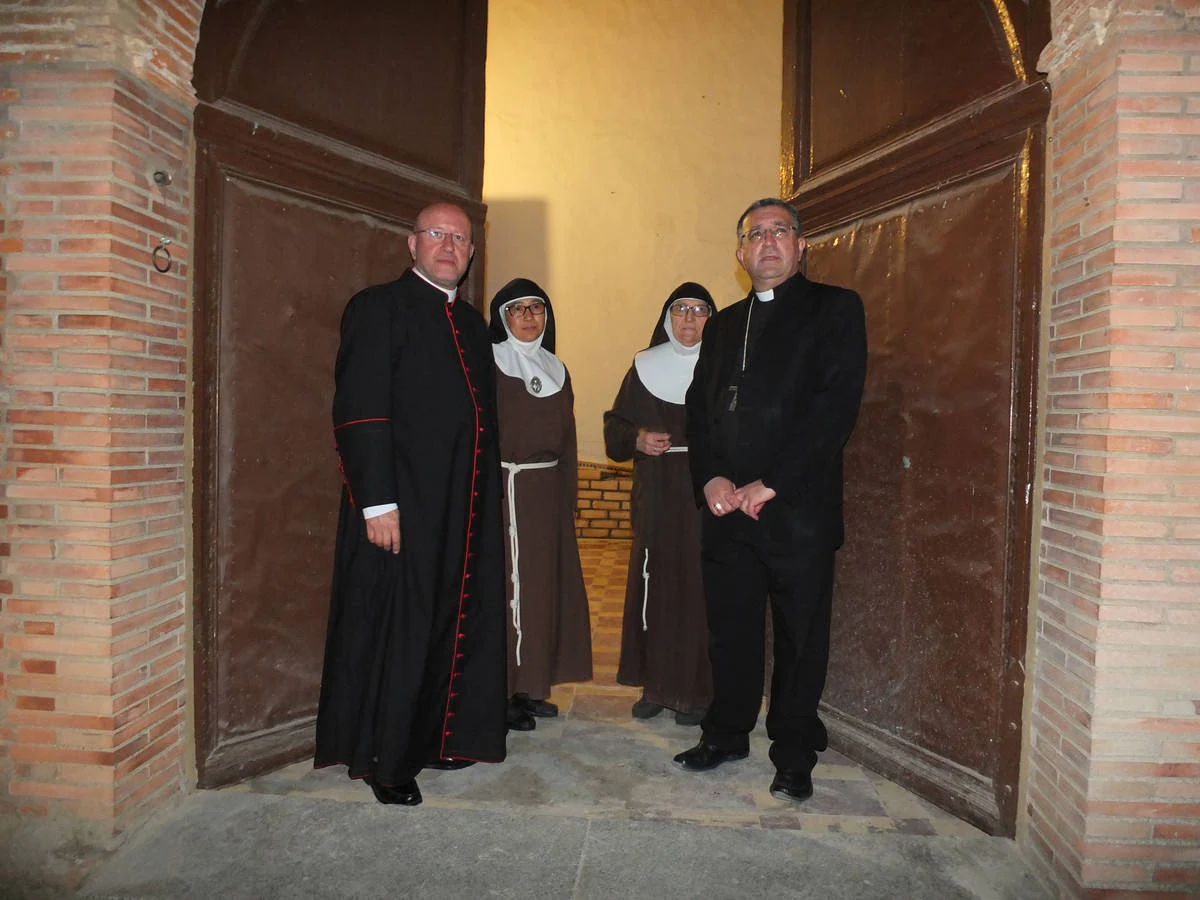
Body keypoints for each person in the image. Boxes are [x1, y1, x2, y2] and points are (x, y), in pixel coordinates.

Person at [315, 203, 508, 807]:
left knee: (451, 623)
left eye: (459, 238)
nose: (448, 246)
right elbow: (360, 411)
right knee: (400, 630)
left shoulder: (473, 326)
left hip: (462, 505)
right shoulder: (378, 308)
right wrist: (377, 504)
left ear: (471, 253)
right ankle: (388, 759)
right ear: (411, 243)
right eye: (436, 235)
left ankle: (439, 737)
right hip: (402, 509)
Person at [675, 198, 867, 804]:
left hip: (796, 510)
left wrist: (770, 482)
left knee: (800, 637)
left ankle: (792, 752)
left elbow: (833, 410)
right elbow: (699, 412)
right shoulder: (725, 324)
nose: (768, 242)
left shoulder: (835, 310)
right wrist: (709, 480)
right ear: (740, 254)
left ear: (800, 244)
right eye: (755, 234)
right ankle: (727, 733)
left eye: (780, 231)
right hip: (728, 510)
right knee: (730, 633)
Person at [604, 283, 716, 727]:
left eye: (699, 310)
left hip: (703, 494)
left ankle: (696, 692)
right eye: (681, 310)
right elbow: (616, 426)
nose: (689, 319)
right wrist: (637, 439)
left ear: (710, 318)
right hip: (655, 493)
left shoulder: (722, 365)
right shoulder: (643, 366)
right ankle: (656, 685)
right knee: (654, 585)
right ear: (668, 318)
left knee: (698, 591)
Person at [488, 278, 593, 731]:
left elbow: (568, 441)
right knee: (510, 592)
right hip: (506, 492)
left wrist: (567, 500)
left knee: (542, 593)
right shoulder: (489, 363)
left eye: (537, 309)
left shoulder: (558, 368)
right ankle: (501, 690)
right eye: (519, 309)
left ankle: (531, 684)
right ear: (503, 318)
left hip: (548, 496)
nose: (529, 317)